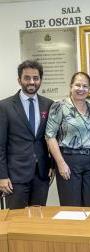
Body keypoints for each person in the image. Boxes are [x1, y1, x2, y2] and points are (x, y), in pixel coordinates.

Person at [0, 60, 53, 209]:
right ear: (19, 80)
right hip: (15, 176)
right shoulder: (4, 106)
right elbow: (1, 145)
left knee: (38, 219)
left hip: (41, 175)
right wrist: (2, 176)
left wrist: (52, 165)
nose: (32, 82)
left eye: (36, 78)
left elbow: (52, 138)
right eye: (27, 78)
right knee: (16, 222)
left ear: (40, 80)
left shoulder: (49, 104)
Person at [45, 72, 90, 207]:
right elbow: (50, 136)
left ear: (89, 89)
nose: (81, 89)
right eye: (77, 85)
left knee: (89, 205)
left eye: (85, 86)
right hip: (69, 160)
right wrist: (60, 163)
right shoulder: (60, 106)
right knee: (71, 206)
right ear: (71, 86)